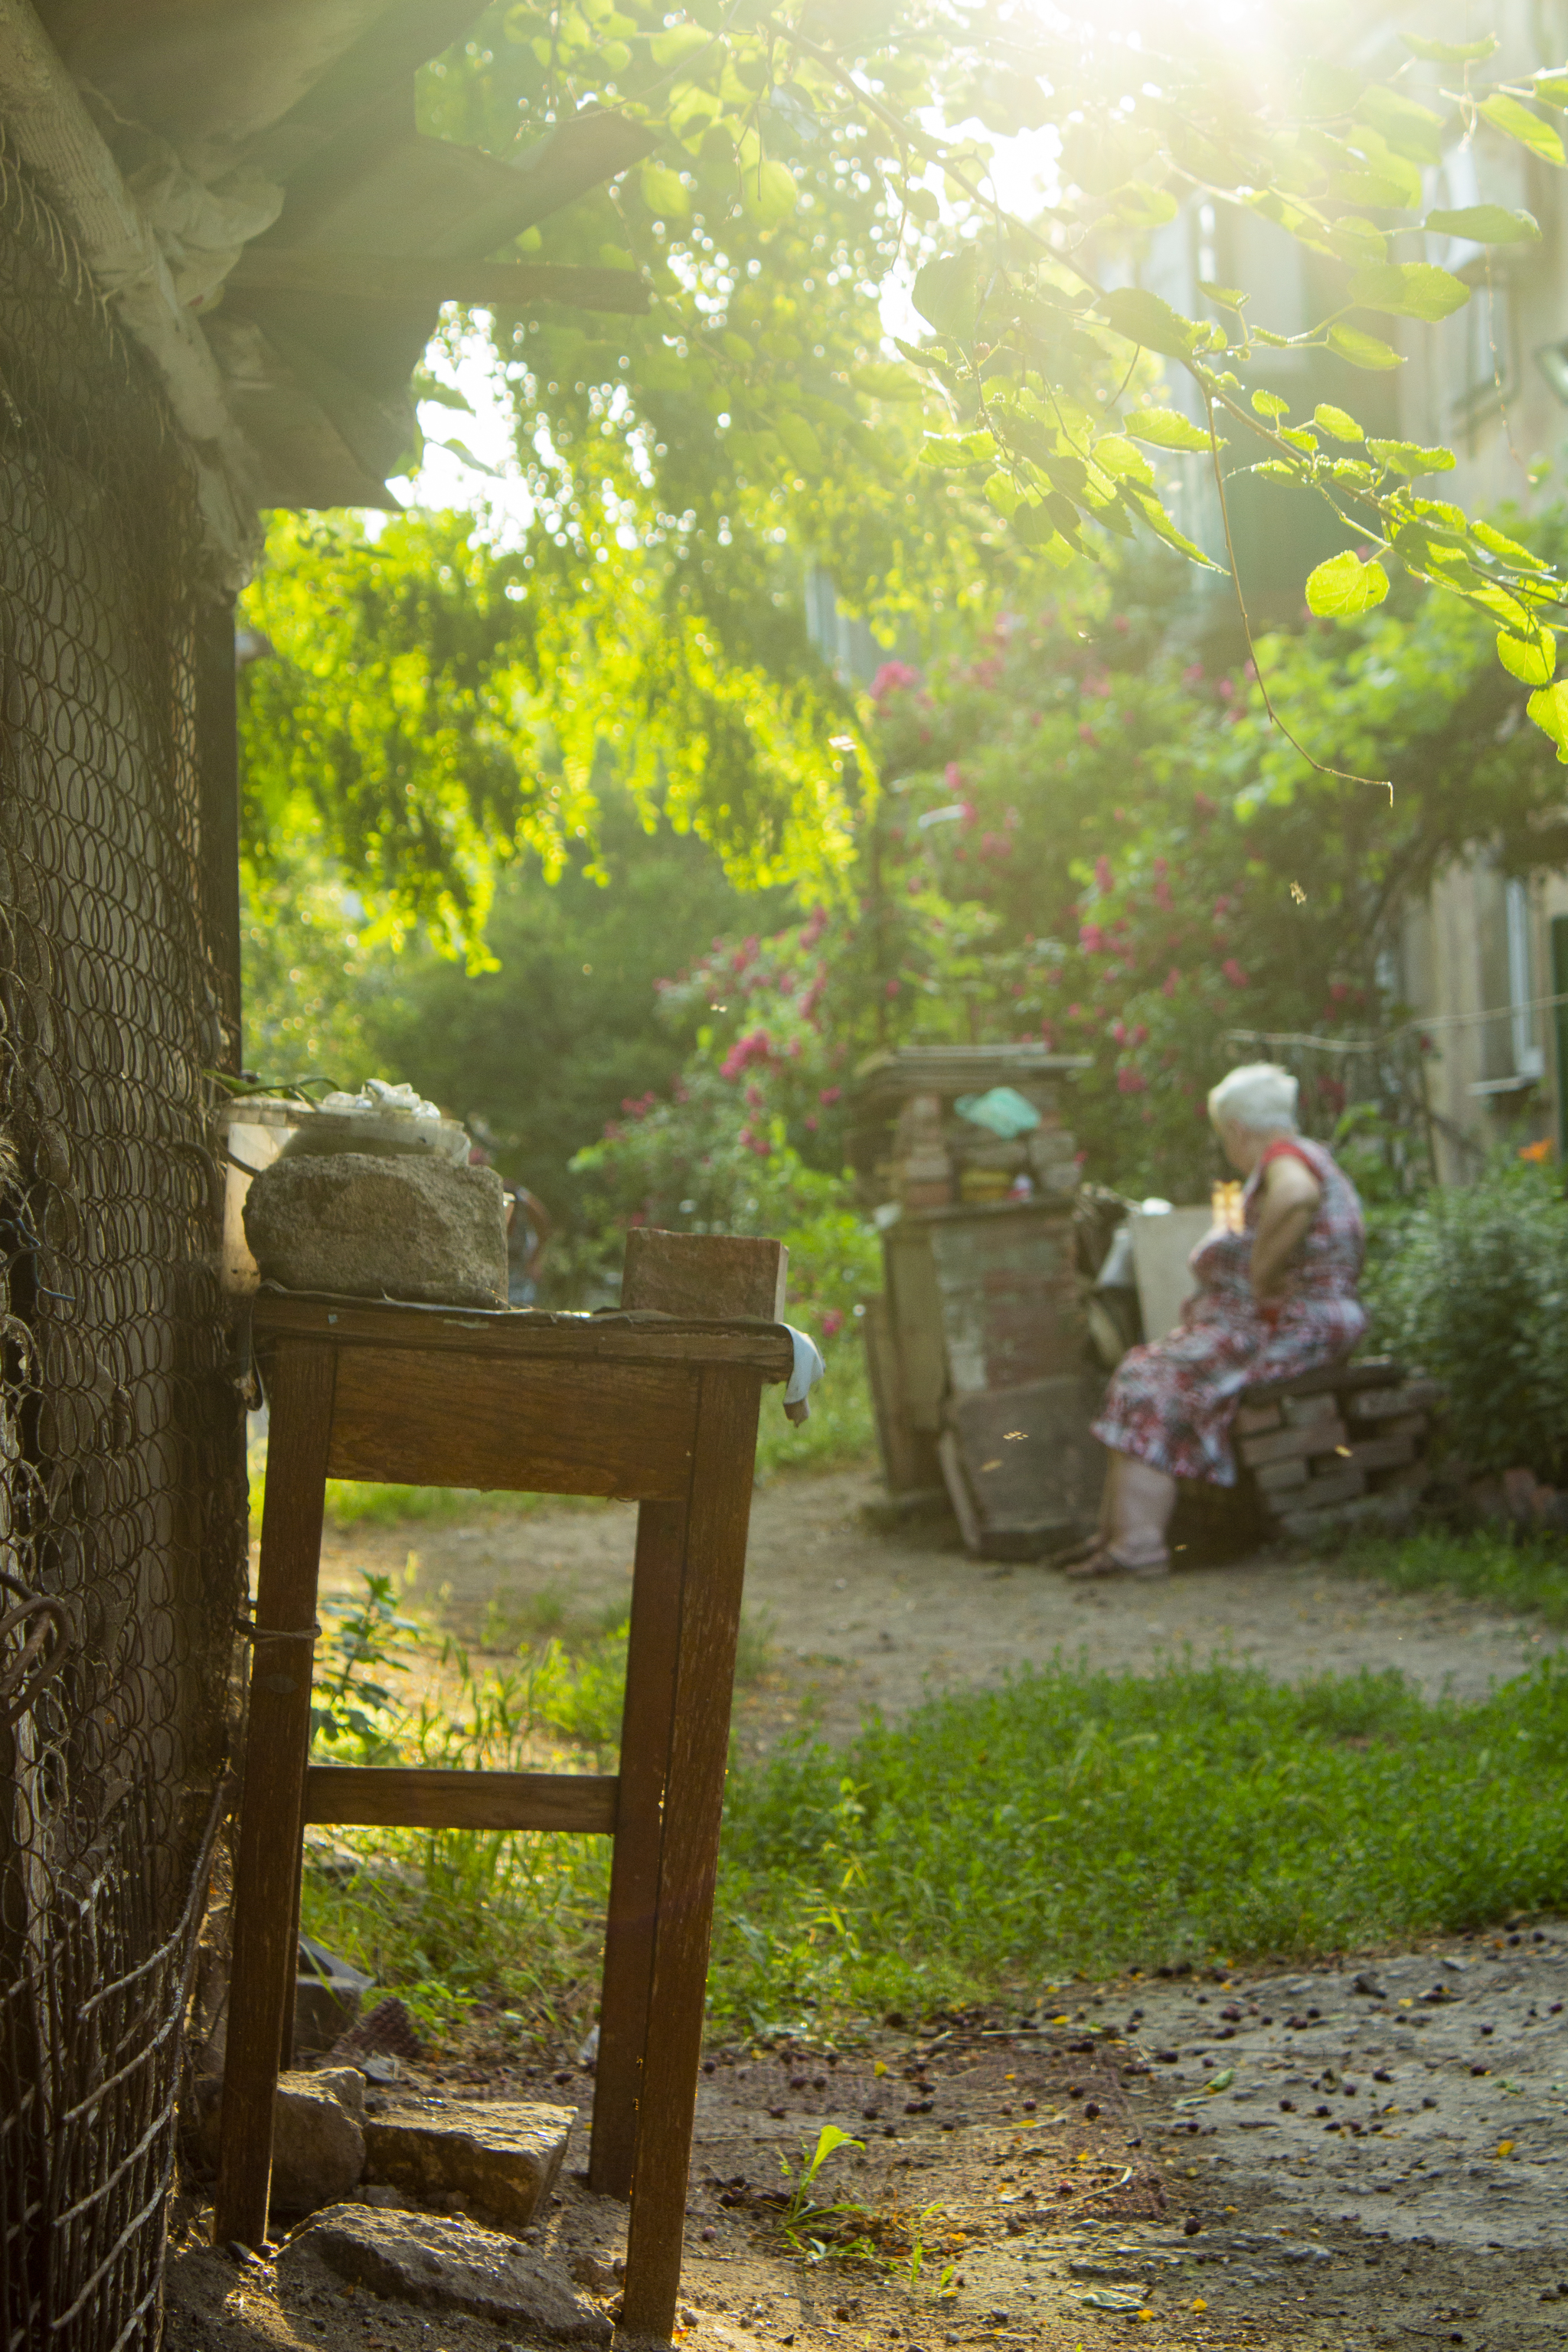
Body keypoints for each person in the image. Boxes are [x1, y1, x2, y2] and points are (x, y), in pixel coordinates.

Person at [1070, 1062, 1367, 1579]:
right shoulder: (1283, 1165)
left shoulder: (1286, 1160)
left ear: (1236, 1129)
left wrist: (1263, 1276)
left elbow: (1298, 1199)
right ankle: (1114, 1536)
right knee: (1143, 1370)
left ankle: (1137, 1545)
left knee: (1149, 1378)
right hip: (1292, 1321)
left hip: (1293, 1323)